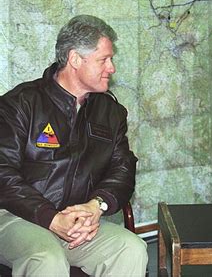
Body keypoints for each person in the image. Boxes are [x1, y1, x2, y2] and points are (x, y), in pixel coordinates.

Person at [0, 15, 148, 276]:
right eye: (104, 59)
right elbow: (3, 173)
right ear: (75, 59)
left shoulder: (111, 113)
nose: (111, 68)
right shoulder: (21, 104)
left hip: (77, 224)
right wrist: (52, 218)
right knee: (46, 256)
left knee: (131, 248)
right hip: (16, 217)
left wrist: (96, 206)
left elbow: (123, 170)